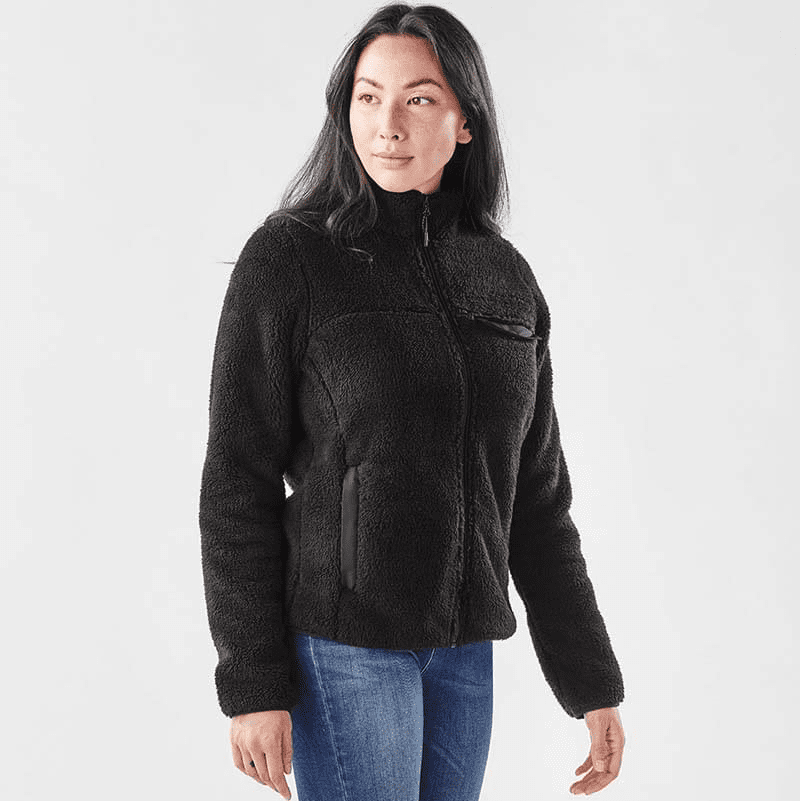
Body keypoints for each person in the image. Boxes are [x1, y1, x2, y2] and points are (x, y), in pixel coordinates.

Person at [198, 4, 626, 799]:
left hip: (464, 652)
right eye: (367, 97)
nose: (387, 124)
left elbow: (535, 500)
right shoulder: (290, 258)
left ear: (466, 121)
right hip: (343, 647)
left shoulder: (504, 278)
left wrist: (589, 680)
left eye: (418, 98)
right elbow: (236, 480)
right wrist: (252, 681)